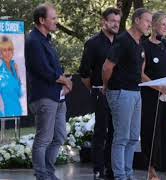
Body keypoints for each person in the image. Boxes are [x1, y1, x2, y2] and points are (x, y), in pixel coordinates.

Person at [102, 8, 152, 180]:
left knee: (132, 137)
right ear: (137, 20)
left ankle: (128, 173)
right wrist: (107, 86)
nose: (149, 26)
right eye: (147, 21)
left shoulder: (140, 44)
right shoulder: (123, 40)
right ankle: (120, 176)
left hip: (136, 92)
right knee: (121, 137)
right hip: (121, 92)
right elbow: (107, 67)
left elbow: (139, 72)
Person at [25, 3, 72, 180]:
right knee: (43, 139)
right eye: (53, 18)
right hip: (44, 97)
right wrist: (65, 80)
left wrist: (65, 84)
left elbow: (55, 69)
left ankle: (48, 173)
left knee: (59, 137)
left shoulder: (46, 40)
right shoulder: (33, 41)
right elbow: (43, 70)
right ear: (41, 20)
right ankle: (42, 175)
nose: (56, 21)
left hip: (57, 96)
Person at [79, 7, 121, 180]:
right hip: (100, 92)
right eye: (113, 21)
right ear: (104, 22)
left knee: (116, 132)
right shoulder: (93, 43)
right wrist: (96, 89)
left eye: (118, 22)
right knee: (101, 131)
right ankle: (98, 169)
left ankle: (112, 169)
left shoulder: (122, 42)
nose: (116, 25)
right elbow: (84, 73)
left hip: (120, 93)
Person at [141, 11, 166, 180]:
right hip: (151, 97)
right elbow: (140, 73)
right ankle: (151, 170)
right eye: (163, 24)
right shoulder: (144, 46)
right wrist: (158, 87)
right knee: (152, 132)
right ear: (154, 25)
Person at [0, 36, 23, 117]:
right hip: (5, 114)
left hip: (18, 111)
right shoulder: (1, 72)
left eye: (9, 49)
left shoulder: (15, 68)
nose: (8, 53)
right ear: (0, 54)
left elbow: (20, 94)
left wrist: (17, 73)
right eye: (4, 50)